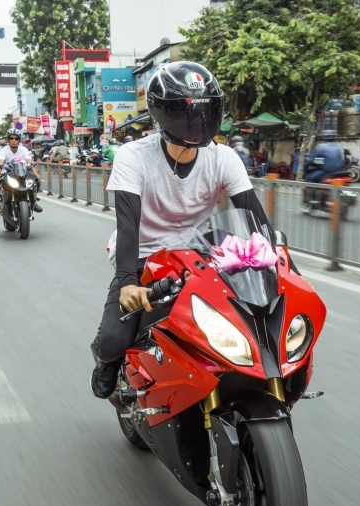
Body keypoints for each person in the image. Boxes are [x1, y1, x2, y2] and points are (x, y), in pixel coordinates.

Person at [89, 61, 284, 399]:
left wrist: (284, 266)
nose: (197, 123)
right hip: (143, 256)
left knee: (248, 323)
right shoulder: (133, 156)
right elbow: (128, 225)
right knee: (112, 341)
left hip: (198, 254)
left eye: (204, 113)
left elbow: (256, 221)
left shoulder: (224, 158)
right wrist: (127, 283)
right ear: (163, 115)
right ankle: (108, 362)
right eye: (187, 114)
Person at [0, 129, 42, 216]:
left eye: (16, 138)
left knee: (37, 181)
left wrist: (36, 174)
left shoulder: (24, 149)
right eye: (11, 138)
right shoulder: (4, 150)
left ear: (19, 140)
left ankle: (34, 201)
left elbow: (30, 162)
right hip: (8, 173)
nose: (14, 141)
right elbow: (0, 163)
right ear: (8, 139)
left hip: (22, 172)